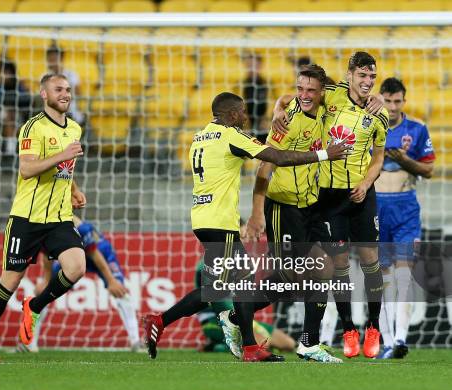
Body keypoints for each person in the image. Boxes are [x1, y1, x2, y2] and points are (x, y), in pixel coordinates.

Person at [142, 91, 349, 362]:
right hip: (219, 220)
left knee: (222, 286)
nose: (245, 116)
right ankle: (245, 345)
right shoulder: (231, 135)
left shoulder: (200, 136)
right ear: (230, 115)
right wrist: (324, 154)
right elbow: (278, 157)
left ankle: (164, 321)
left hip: (203, 217)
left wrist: (278, 112)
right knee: (238, 282)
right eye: (242, 112)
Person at [272, 51, 389, 359]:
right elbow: (292, 97)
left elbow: (378, 157)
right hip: (328, 195)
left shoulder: (380, 112)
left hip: (361, 193)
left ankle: (373, 327)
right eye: (362, 76)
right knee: (337, 264)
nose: (367, 82)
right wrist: (275, 110)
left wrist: (366, 183)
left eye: (371, 77)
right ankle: (349, 328)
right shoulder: (332, 95)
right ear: (349, 75)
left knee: (370, 259)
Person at [0, 73, 87, 361]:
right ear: (44, 94)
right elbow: (27, 169)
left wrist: (74, 188)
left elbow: (65, 167)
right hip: (27, 218)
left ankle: (34, 307)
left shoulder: (74, 128)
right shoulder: (32, 128)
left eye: (68, 90)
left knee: (76, 267)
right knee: (10, 282)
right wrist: (63, 154)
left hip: (60, 217)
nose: (65, 94)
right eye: (58, 89)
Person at [246, 65, 342, 363]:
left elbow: (349, 94)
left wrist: (280, 100)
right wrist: (256, 213)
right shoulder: (287, 123)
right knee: (294, 276)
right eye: (299, 89)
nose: (303, 95)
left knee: (324, 269)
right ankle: (239, 312)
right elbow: (265, 166)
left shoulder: (326, 109)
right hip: (282, 206)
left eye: (311, 90)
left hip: (309, 206)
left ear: (322, 92)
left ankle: (309, 344)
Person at [19, 215, 141, 353]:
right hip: (72, 255)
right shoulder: (47, 223)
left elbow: (94, 254)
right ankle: (30, 343)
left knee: (120, 292)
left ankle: (136, 342)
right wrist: (46, 280)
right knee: (43, 292)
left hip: (101, 253)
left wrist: (111, 280)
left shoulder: (81, 228)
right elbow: (48, 254)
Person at [376, 78, 435, 359]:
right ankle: (388, 341)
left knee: (404, 275)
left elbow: (429, 170)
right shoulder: (369, 126)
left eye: (397, 101)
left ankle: (400, 339)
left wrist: (403, 160)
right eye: (387, 101)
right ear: (381, 99)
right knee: (383, 278)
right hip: (375, 208)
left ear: (404, 101)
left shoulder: (417, 129)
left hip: (405, 208)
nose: (392, 107)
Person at [195, 221, 295, 354]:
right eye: (241, 236)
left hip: (241, 315)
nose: (245, 240)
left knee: (289, 344)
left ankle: (223, 343)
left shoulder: (239, 260)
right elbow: (220, 303)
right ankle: (217, 346)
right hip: (216, 320)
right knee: (261, 343)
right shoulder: (209, 263)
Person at [0, 60, 31, 157]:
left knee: (9, 116)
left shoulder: (20, 86)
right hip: (0, 115)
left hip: (18, 117)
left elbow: (28, 105)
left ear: (11, 72)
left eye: (5, 72)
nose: (2, 75)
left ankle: (10, 153)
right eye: (1, 72)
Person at [46, 45, 85, 125]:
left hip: (71, 111)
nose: (52, 62)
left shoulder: (71, 75)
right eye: (50, 59)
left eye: (54, 59)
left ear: (61, 59)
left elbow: (77, 93)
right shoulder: (44, 76)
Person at [242, 53, 268, 143]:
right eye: (249, 65)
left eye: (254, 65)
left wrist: (267, 119)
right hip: (245, 124)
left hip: (263, 124)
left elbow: (274, 102)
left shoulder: (267, 84)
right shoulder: (241, 84)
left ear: (260, 66)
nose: (251, 68)